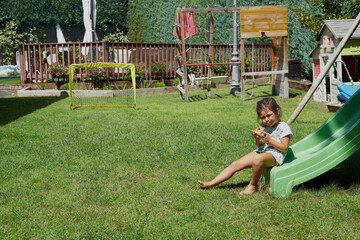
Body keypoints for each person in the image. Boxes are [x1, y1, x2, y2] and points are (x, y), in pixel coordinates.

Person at [198, 97, 293, 195]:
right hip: (262, 151)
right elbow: (259, 144)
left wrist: (270, 140)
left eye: (269, 115)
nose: (266, 120)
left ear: (277, 112)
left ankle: (253, 185)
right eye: (263, 117)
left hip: (276, 155)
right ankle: (211, 183)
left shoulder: (283, 127)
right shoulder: (264, 125)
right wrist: (257, 138)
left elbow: (284, 147)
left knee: (257, 158)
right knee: (235, 164)